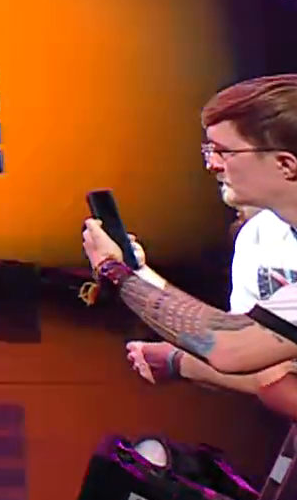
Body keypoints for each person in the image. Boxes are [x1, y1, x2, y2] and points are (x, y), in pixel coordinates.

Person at [84, 76, 297, 402]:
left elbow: (232, 349)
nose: (212, 165)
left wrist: (113, 270)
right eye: (208, 150)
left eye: (224, 152)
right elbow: (241, 342)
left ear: (285, 164)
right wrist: (138, 272)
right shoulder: (260, 236)